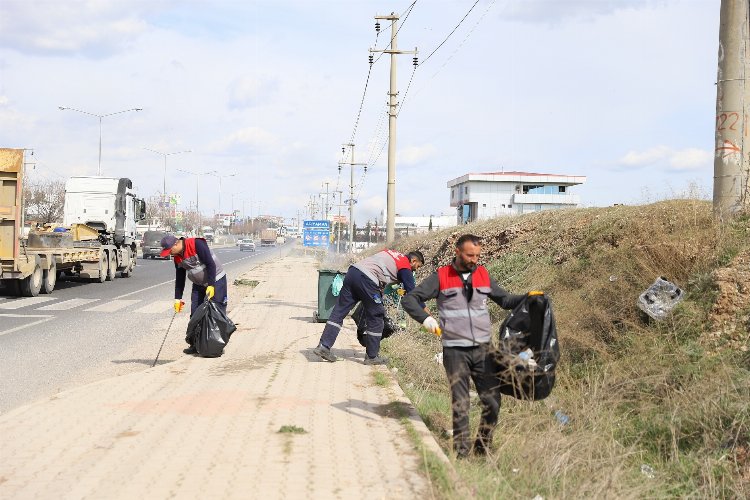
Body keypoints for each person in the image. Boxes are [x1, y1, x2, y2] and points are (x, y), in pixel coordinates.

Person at [401, 234, 527, 458]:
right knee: (461, 401)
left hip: (483, 350)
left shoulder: (483, 274)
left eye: (477, 255)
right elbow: (410, 299)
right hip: (455, 350)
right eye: (470, 255)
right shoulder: (441, 277)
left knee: (492, 401)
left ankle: (482, 446)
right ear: (457, 251)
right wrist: (426, 320)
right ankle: (461, 453)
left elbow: (505, 300)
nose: (474, 260)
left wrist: (529, 297)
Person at [313, 249, 425, 365]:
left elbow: (381, 275)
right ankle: (372, 356)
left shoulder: (392, 254)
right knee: (376, 316)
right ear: (413, 260)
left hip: (353, 273)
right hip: (367, 280)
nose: (416, 269)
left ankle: (324, 346)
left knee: (339, 311)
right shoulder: (405, 265)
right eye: (417, 266)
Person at [160, 234, 228, 354]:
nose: (170, 254)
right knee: (195, 314)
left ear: (176, 243)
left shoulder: (196, 244)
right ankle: (195, 345)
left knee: (217, 312)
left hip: (216, 280)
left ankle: (217, 345)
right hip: (199, 284)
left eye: (170, 250)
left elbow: (210, 264)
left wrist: (211, 285)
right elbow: (180, 278)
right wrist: (178, 298)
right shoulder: (177, 257)